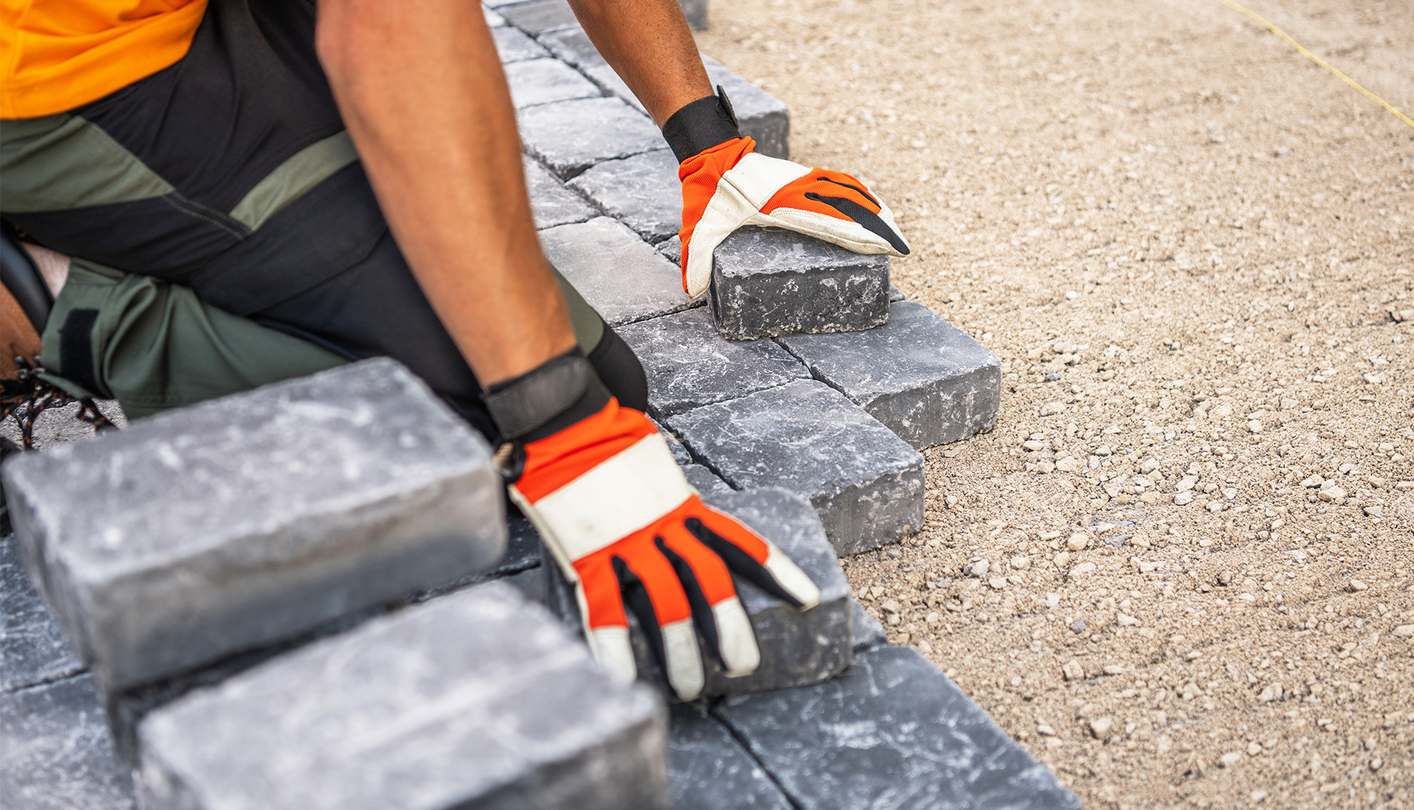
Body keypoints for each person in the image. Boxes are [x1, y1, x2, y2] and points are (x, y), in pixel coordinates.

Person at [0, 0, 908, 700]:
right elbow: (393, 27)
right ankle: (53, 302)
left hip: (188, 24)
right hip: (38, 85)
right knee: (482, 421)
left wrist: (708, 148)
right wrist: (561, 423)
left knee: (601, 379)